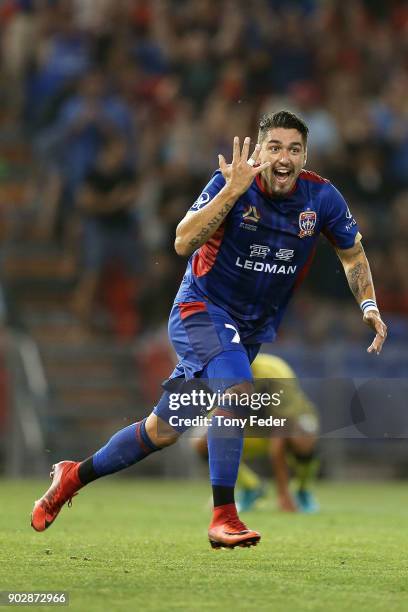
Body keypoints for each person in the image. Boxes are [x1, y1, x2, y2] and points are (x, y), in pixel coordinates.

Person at [31, 111, 387, 549]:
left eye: (294, 149)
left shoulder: (322, 198)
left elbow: (352, 254)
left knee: (161, 431)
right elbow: (182, 242)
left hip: (247, 331)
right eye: (274, 147)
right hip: (200, 311)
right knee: (236, 390)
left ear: (305, 155)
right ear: (259, 151)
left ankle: (73, 475)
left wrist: (368, 305)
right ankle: (225, 516)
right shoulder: (232, 184)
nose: (284, 158)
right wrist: (233, 191)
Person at [193, 353, 320, 514]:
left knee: (303, 438)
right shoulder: (222, 373)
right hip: (253, 430)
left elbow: (282, 428)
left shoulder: (274, 371)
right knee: (202, 440)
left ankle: (302, 490)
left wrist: (283, 493)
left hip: (288, 426)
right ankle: (251, 488)